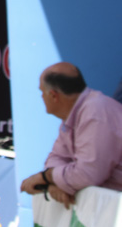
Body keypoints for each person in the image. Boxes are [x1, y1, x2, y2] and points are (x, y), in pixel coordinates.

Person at [20, 62, 122, 208]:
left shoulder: (95, 112)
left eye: (42, 92)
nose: (41, 97)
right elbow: (56, 157)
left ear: (53, 96)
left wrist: (47, 177)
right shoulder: (76, 113)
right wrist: (54, 183)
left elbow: (87, 175)